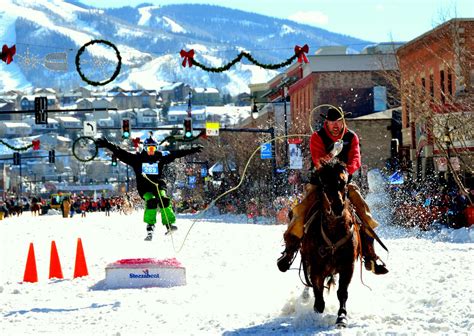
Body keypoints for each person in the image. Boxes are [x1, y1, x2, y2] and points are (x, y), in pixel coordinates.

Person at [277, 107, 389, 275]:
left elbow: (356, 159)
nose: (336, 125)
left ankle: (370, 256)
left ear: (343, 121)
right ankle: (290, 251)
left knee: (364, 211)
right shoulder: (317, 137)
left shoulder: (352, 137)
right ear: (326, 122)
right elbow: (318, 161)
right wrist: (331, 154)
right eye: (332, 122)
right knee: (300, 211)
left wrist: (344, 172)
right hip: (320, 183)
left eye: (339, 121)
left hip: (343, 183)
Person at [96, 133, 203, 240]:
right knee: (151, 201)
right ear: (145, 148)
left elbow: (176, 153)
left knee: (164, 200)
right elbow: (121, 153)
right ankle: (150, 227)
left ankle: (169, 225)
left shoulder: (160, 156)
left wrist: (192, 150)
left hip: (158, 185)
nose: (151, 150)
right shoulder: (137, 159)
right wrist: (107, 144)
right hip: (144, 187)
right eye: (149, 148)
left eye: (154, 148)